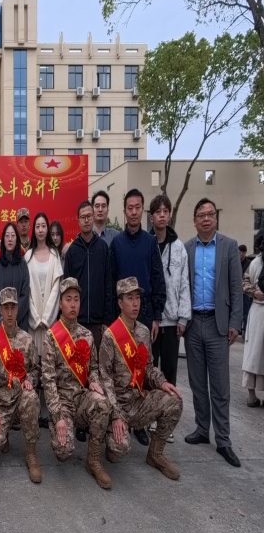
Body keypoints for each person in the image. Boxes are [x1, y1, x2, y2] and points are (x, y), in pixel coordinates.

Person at [98, 277, 183, 480]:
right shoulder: (110, 336)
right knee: (119, 450)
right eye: (130, 298)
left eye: (137, 298)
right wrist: (116, 415)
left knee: (174, 401)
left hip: (139, 400)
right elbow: (105, 379)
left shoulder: (144, 332)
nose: (135, 303)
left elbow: (148, 368)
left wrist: (162, 382)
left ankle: (156, 454)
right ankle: (111, 440)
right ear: (120, 303)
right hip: (117, 404)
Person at [184, 198, 243, 467]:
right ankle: (201, 428)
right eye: (201, 215)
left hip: (218, 324)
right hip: (195, 322)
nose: (206, 219)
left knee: (220, 385)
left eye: (210, 214)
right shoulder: (188, 249)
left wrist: (235, 323)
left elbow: (236, 288)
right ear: (195, 221)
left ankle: (224, 440)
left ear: (215, 218)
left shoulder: (229, 247)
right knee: (197, 382)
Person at [41, 278, 112, 489]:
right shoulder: (51, 337)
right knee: (63, 451)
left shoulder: (87, 335)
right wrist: (57, 416)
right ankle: (63, 428)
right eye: (68, 299)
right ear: (60, 304)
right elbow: (48, 380)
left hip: (81, 398)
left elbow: (93, 368)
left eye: (76, 299)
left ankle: (94, 460)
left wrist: (94, 382)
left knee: (102, 403)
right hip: (62, 401)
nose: (73, 304)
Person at [110, 188, 166, 447]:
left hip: (144, 316)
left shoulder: (150, 243)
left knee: (141, 367)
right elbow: (111, 280)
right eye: (129, 208)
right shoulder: (117, 244)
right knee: (120, 370)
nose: (133, 212)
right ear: (124, 212)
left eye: (137, 208)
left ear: (141, 211)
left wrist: (156, 316)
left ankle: (141, 423)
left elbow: (157, 278)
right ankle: (119, 417)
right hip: (120, 319)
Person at [0, 287, 41, 483]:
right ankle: (5, 433)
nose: (9, 313)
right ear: (0, 309)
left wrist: (30, 380)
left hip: (21, 399)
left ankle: (31, 454)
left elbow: (36, 369)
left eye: (13, 308)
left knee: (32, 397)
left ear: (18, 309)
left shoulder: (27, 339)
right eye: (6, 308)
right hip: (2, 402)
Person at [148, 194, 191, 443]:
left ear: (169, 215)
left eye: (165, 211)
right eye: (158, 212)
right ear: (152, 217)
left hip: (172, 320)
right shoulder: (147, 244)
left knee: (170, 372)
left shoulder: (179, 248)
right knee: (150, 371)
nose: (162, 215)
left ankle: (167, 423)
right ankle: (151, 417)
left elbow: (184, 283)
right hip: (151, 321)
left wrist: (184, 317)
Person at [63, 201, 113, 350]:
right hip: (77, 321)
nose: (86, 220)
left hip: (99, 323)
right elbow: (66, 288)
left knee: (98, 362)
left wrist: (107, 320)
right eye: (83, 217)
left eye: (89, 216)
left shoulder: (103, 248)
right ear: (78, 221)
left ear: (93, 217)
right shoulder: (72, 251)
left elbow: (108, 285)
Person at [25, 212, 62, 359]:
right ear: (33, 230)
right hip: (33, 321)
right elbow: (26, 290)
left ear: (47, 229)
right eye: (37, 226)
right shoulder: (28, 256)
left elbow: (56, 289)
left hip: (50, 320)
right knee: (33, 361)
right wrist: (35, 317)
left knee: (50, 359)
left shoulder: (54, 254)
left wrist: (46, 318)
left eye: (43, 226)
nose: (40, 230)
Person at [0, 222, 30, 332]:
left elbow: (25, 294)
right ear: (3, 240)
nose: (10, 239)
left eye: (13, 236)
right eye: (7, 236)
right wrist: (2, 317)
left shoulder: (22, 264)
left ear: (17, 239)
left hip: (20, 322)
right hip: (2, 322)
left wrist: (13, 317)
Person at [241, 233, 263, 407]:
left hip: (257, 311)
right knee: (254, 353)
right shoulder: (255, 263)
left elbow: (245, 282)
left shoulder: (254, 262)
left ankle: (251, 396)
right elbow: (245, 282)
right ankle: (251, 396)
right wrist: (254, 292)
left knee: (254, 353)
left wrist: (253, 292)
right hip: (257, 311)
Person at [239, 243, 253, 334]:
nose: (238, 255)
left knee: (245, 312)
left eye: (240, 253)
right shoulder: (236, 262)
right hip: (238, 291)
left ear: (244, 253)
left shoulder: (249, 263)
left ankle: (245, 331)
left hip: (245, 292)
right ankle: (239, 329)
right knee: (238, 311)